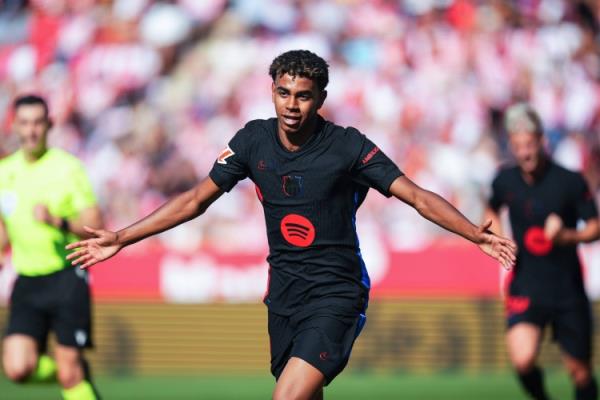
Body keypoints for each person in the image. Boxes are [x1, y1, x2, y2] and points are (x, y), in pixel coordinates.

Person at [67, 50, 516, 400]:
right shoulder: (252, 141)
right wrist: (121, 237)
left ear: (321, 98)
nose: (292, 105)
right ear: (272, 91)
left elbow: (415, 195)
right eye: (284, 93)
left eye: (303, 96)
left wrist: (472, 233)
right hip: (284, 294)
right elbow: (195, 200)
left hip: (336, 293)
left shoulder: (348, 146)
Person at [486, 103, 600, 400]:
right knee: (522, 360)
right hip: (526, 285)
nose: (525, 153)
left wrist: (567, 235)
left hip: (567, 288)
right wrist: (498, 238)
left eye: (530, 145)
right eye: (518, 146)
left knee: (580, 372)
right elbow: (491, 208)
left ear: (541, 141)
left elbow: (595, 227)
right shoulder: (505, 180)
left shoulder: (569, 181)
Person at [0, 95, 103, 400]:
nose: (31, 131)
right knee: (17, 368)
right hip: (28, 280)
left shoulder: (68, 168)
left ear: (49, 125)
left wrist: (57, 221)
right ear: (14, 126)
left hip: (66, 277)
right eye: (25, 123)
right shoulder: (5, 172)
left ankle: (73, 376)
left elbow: (96, 225)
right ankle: (73, 374)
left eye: (37, 123)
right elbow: (3, 228)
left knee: (70, 373)